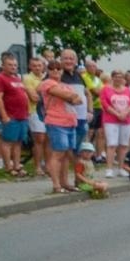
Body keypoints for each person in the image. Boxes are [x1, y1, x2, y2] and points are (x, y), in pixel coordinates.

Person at [37, 61, 83, 194]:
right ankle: (56, 185)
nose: (56, 71)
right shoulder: (47, 83)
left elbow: (79, 100)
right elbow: (66, 95)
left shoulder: (65, 85)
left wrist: (71, 96)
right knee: (58, 153)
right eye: (52, 69)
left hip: (70, 122)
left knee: (67, 154)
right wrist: (70, 96)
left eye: (58, 68)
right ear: (48, 71)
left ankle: (65, 182)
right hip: (56, 121)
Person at [0, 52, 31, 177]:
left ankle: (17, 165)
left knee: (18, 142)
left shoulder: (17, 78)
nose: (13, 67)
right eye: (10, 65)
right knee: (7, 142)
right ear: (3, 65)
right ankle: (8, 167)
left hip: (22, 115)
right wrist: (4, 115)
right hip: (11, 115)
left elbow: (23, 95)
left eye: (15, 65)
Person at [100, 69, 130, 176]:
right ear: (112, 77)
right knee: (112, 144)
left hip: (126, 120)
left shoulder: (128, 90)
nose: (118, 79)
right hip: (111, 120)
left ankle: (121, 168)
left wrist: (125, 113)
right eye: (116, 76)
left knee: (124, 144)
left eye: (120, 77)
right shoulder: (106, 89)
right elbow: (105, 103)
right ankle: (109, 169)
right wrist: (117, 114)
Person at [23, 55, 48, 177]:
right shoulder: (27, 78)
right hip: (35, 111)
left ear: (43, 66)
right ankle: (37, 166)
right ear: (30, 66)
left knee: (48, 139)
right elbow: (34, 97)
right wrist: (44, 85)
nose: (37, 68)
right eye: (34, 66)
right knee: (39, 139)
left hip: (49, 112)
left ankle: (47, 165)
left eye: (39, 65)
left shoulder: (47, 77)